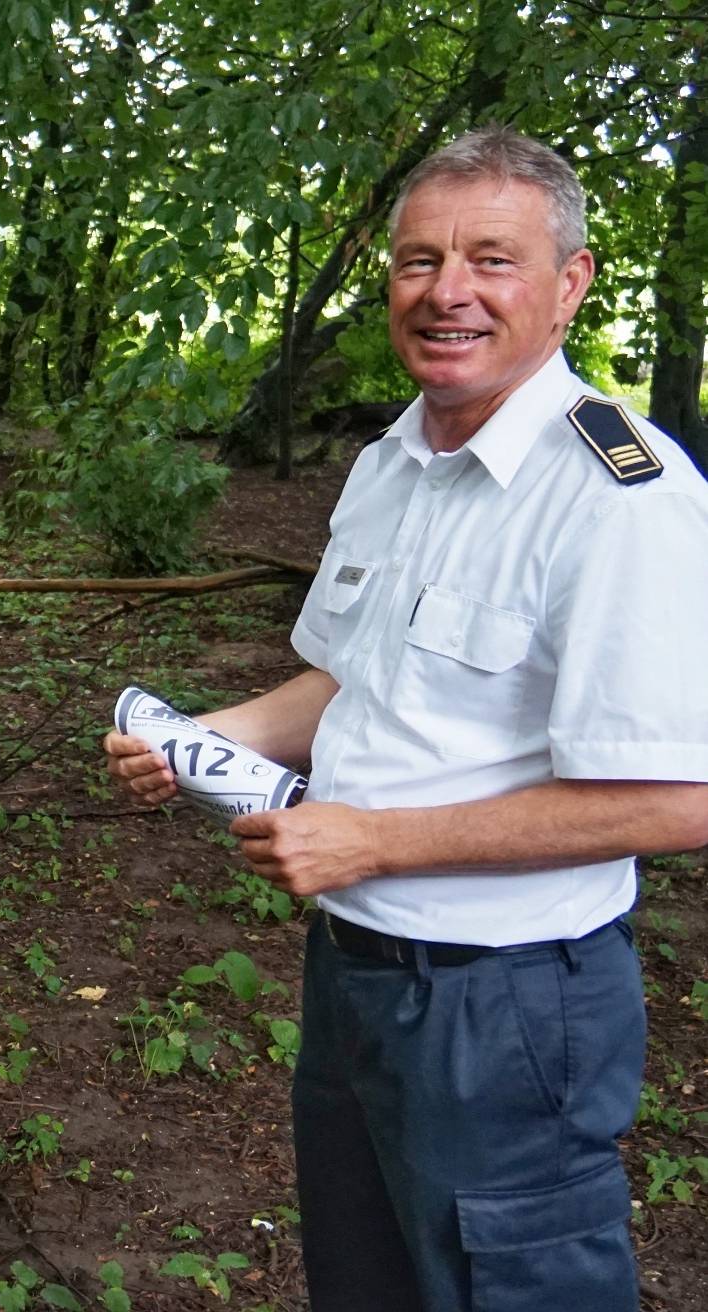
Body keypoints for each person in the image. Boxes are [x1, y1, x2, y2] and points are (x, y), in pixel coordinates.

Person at [105, 126, 708, 1312]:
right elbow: (354, 682)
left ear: (570, 283)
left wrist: (377, 838)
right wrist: (207, 735)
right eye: (418, 260)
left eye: (492, 259)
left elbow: (682, 797)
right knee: (369, 1278)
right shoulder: (395, 458)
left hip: (511, 1002)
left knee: (511, 1292)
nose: (448, 293)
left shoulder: (623, 499)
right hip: (359, 972)